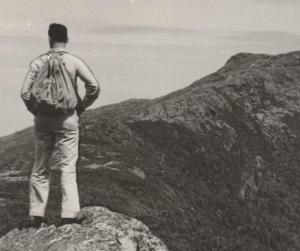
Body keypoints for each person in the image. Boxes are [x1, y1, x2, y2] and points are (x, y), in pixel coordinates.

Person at [21, 23, 100, 227]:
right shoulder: (73, 61)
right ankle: (69, 214)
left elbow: (25, 92)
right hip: (67, 118)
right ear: (66, 39)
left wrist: (36, 110)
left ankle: (36, 214)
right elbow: (94, 86)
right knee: (67, 167)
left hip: (43, 119)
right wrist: (81, 106)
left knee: (40, 166)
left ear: (49, 39)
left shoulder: (38, 62)